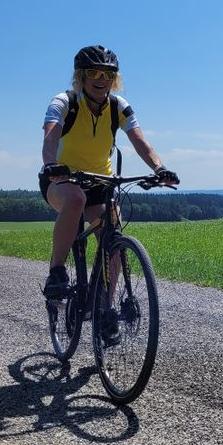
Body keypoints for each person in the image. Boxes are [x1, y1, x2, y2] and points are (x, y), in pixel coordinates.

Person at [39, 46, 179, 322]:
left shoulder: (119, 106)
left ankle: (104, 308)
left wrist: (159, 168)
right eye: (93, 72)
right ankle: (56, 272)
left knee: (112, 233)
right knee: (76, 200)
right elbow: (50, 138)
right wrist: (51, 165)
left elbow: (140, 142)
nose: (101, 78)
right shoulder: (63, 102)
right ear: (80, 76)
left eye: (108, 74)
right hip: (62, 177)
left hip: (100, 181)